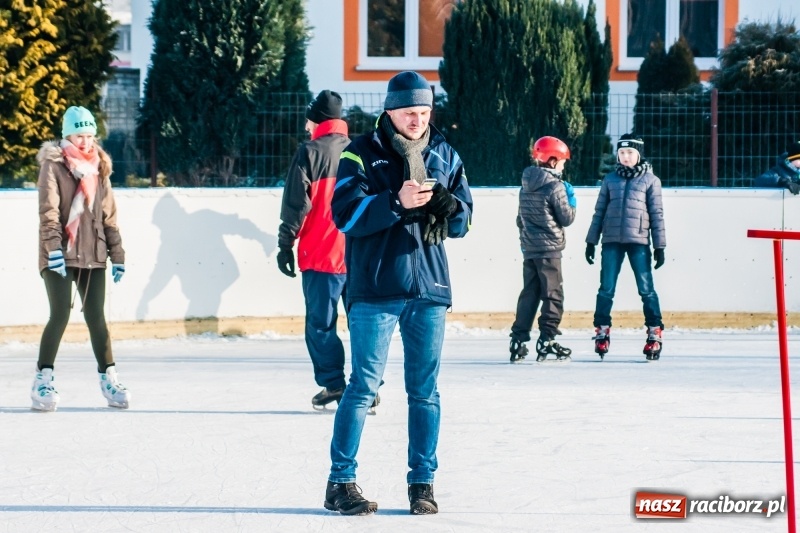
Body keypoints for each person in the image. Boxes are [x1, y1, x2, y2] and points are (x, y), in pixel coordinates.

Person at [324, 71, 472, 516]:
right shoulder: (360, 154)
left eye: (424, 111)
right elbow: (345, 216)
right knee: (364, 387)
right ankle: (340, 482)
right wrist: (395, 202)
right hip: (375, 290)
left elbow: (464, 222)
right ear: (390, 109)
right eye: (410, 111)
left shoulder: (445, 153)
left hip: (429, 289)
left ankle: (422, 484)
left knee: (424, 392)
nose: (417, 119)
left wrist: (449, 206)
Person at [277, 90, 380, 411]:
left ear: (318, 119)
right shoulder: (362, 150)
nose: (306, 126)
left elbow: (296, 204)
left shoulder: (309, 152)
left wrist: (285, 243)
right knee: (365, 322)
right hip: (359, 255)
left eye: (309, 119)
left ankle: (334, 384)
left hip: (320, 257)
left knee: (320, 324)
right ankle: (368, 387)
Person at [33, 105, 130, 411]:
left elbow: (108, 215)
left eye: (89, 135)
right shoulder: (53, 165)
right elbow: (48, 213)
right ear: (67, 135)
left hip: (93, 254)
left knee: (96, 318)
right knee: (59, 314)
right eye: (79, 135)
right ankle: (42, 380)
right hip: (59, 254)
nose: (86, 142)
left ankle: (109, 378)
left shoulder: (100, 166)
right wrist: (53, 250)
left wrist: (118, 254)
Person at [585, 133, 666, 361]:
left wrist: (659, 245)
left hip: (639, 242)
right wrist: (591, 240)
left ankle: (654, 332)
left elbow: (657, 214)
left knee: (646, 289)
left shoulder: (651, 181)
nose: (626, 156)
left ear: (639, 154)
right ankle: (602, 331)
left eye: (630, 152)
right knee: (606, 289)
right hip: (611, 241)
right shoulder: (610, 180)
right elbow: (599, 211)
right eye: (621, 152)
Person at [509, 136, 576, 363]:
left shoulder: (525, 186)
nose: (564, 166)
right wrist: (571, 200)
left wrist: (526, 241)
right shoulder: (555, 186)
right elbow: (566, 218)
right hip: (550, 251)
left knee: (530, 294)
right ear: (553, 160)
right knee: (553, 295)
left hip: (530, 249)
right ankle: (547, 339)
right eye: (563, 162)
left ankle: (517, 340)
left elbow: (520, 219)